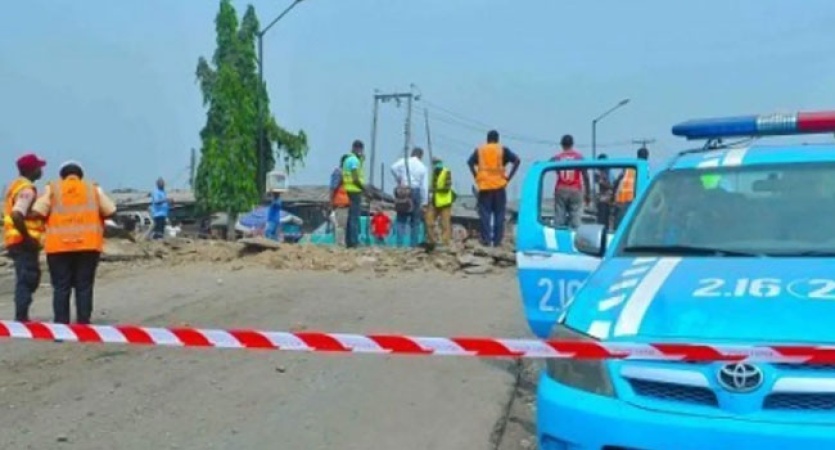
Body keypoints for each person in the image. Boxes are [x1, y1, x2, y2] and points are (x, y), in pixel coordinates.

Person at [32, 161, 116, 324]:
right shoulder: (93, 189)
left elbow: (37, 211)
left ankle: (61, 324)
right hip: (88, 246)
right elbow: (111, 210)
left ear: (62, 177)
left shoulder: (53, 189)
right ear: (80, 176)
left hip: (58, 247)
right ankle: (83, 324)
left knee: (61, 287)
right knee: (84, 286)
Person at [3, 153, 47, 322]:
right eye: (39, 167)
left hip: (16, 241)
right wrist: (27, 237)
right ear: (32, 170)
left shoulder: (14, 186)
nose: (41, 170)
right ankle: (21, 317)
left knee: (27, 277)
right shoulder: (26, 189)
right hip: (23, 243)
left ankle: (21, 314)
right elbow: (17, 214)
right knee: (27, 278)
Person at [468, 130, 521, 247]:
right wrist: (508, 178)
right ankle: (497, 242)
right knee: (499, 214)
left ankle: (486, 240)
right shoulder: (502, 149)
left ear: (487, 139)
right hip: (499, 186)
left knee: (485, 214)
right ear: (498, 139)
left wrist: (477, 177)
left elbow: (469, 162)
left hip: (485, 187)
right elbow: (517, 160)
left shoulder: (480, 150)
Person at [390, 147, 428, 247]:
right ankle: (413, 245)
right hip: (415, 190)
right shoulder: (422, 167)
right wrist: (424, 202)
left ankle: (399, 244)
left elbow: (392, 168)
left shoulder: (404, 161)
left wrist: (399, 179)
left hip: (403, 190)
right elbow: (424, 187)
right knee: (415, 220)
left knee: (401, 218)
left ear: (412, 153)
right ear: (421, 156)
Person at [550, 134, 590, 229]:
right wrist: (588, 193)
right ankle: (574, 238)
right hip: (575, 189)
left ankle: (559, 237)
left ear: (562, 145)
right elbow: (586, 176)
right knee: (576, 217)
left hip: (561, 188)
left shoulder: (557, 158)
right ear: (572, 144)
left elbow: (547, 164)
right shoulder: (579, 157)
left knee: (559, 217)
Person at [613, 146, 649, 229]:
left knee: (619, 225)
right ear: (647, 156)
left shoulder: (629, 166)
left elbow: (618, 180)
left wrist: (613, 195)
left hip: (621, 198)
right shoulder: (644, 167)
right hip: (632, 199)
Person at [342, 140, 367, 248]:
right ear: (359, 149)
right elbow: (355, 178)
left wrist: (361, 159)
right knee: (354, 217)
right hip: (355, 189)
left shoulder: (348, 159)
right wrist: (364, 188)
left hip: (348, 189)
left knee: (351, 217)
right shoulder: (354, 161)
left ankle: (349, 240)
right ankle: (354, 241)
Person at [425, 156, 454, 248]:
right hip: (435, 201)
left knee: (445, 223)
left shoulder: (446, 172)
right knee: (428, 221)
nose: (435, 165)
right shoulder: (434, 173)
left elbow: (447, 187)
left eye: (436, 163)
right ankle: (432, 241)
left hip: (445, 202)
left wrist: (434, 189)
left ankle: (445, 243)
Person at [329, 155, 351, 245]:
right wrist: (330, 203)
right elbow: (333, 188)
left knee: (344, 227)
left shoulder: (349, 174)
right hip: (341, 204)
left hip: (346, 204)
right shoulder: (339, 172)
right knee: (340, 227)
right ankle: (339, 245)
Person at [594, 154, 614, 228]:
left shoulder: (609, 172)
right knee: (602, 219)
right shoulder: (598, 172)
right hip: (602, 198)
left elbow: (611, 185)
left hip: (607, 197)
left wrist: (603, 183)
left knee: (605, 218)